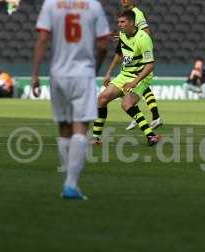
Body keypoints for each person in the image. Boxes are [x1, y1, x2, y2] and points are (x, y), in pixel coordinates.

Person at [32, 0, 110, 200]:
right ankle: (71, 184)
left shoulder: (51, 4)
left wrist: (35, 75)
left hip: (58, 73)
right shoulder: (93, 6)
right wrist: (95, 68)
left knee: (64, 128)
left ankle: (68, 181)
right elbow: (103, 45)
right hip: (83, 73)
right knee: (81, 127)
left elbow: (42, 39)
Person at [93, 9, 160, 146]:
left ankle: (151, 136)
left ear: (132, 22)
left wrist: (135, 82)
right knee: (101, 99)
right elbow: (119, 54)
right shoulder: (123, 35)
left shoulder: (143, 39)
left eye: (123, 22)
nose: (120, 24)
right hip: (125, 74)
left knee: (126, 104)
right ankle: (96, 138)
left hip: (141, 76)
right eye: (118, 22)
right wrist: (109, 72)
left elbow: (150, 66)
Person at [119, 0, 163, 131]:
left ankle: (145, 116)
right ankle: (155, 117)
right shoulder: (129, 14)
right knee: (143, 88)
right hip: (135, 55)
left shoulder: (137, 13)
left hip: (139, 56)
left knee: (138, 86)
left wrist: (141, 48)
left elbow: (146, 32)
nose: (122, 0)